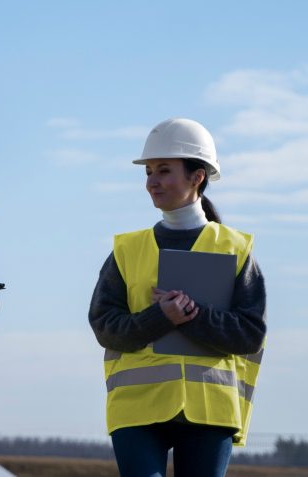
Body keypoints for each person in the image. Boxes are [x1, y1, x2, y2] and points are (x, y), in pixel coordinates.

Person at [88, 118, 266, 477]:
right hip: (136, 411)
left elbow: (250, 333)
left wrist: (193, 316)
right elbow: (106, 327)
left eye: (164, 171)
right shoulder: (126, 250)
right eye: (149, 172)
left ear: (197, 176)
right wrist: (161, 317)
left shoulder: (235, 249)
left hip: (209, 411)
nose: (152, 181)